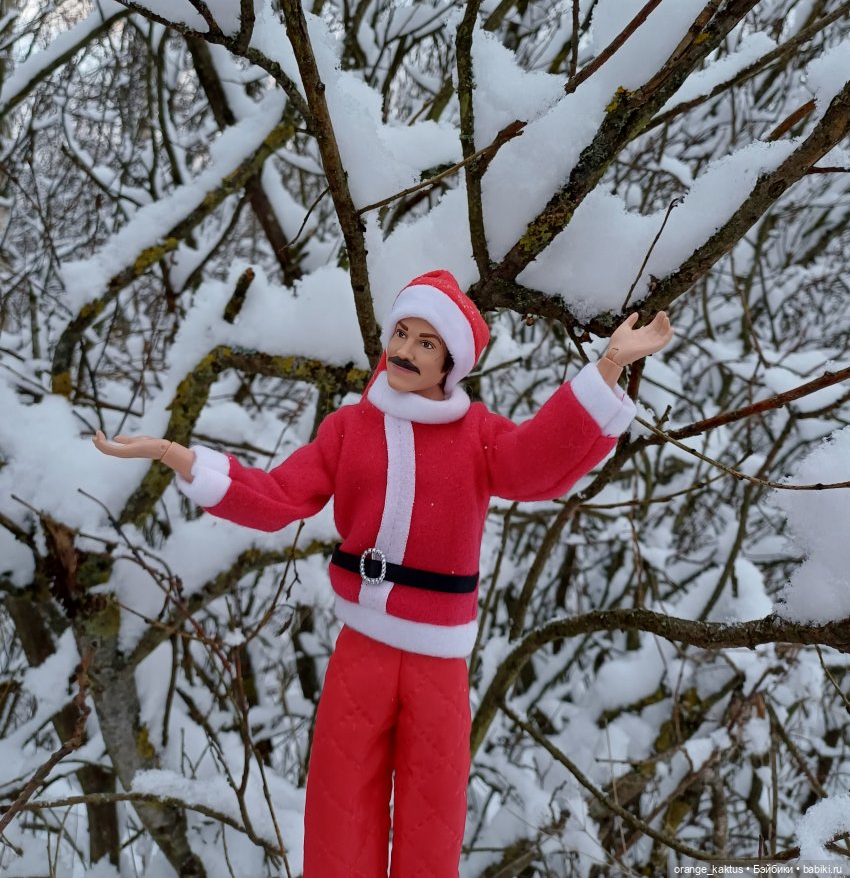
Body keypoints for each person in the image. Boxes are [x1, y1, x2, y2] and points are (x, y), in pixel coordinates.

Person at [93, 270, 673, 878]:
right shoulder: (349, 429)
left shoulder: (476, 434)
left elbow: (538, 465)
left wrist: (607, 365)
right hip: (362, 647)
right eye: (401, 333)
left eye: (426, 342)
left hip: (438, 659)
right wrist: (179, 457)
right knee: (340, 809)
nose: (404, 350)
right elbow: (280, 496)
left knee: (433, 818)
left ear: (451, 361)